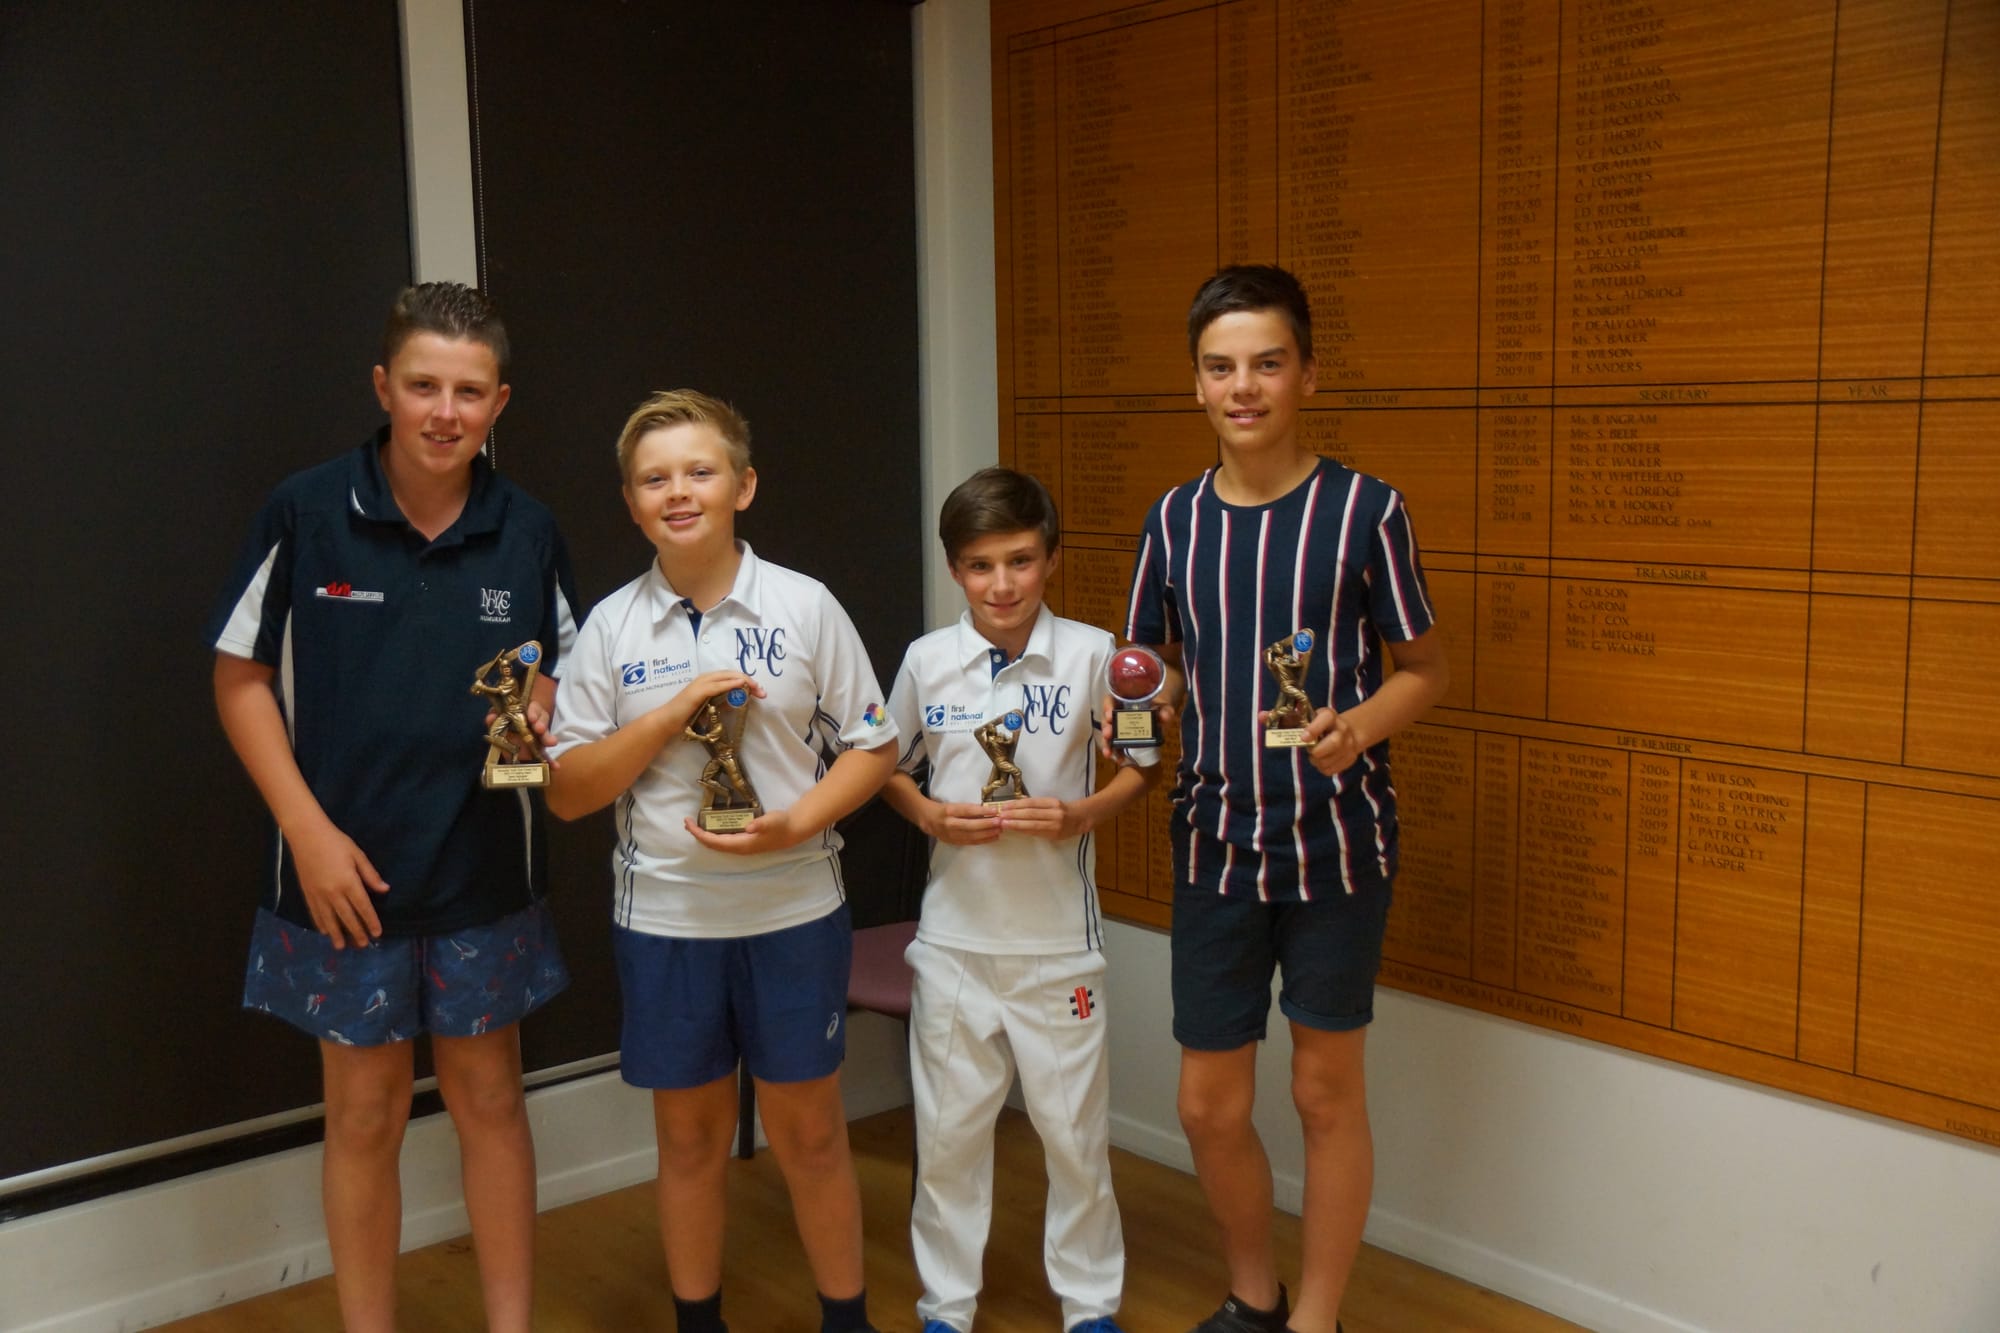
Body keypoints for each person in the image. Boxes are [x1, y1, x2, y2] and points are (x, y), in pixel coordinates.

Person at [208, 281, 578, 1333]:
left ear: (499, 400)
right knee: (362, 1116)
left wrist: (547, 701)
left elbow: (566, 667)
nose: (444, 411)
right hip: (342, 877)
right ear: (384, 386)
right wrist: (307, 833)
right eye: (423, 385)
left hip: (483, 876)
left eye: (468, 391)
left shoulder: (529, 528)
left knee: (492, 1104)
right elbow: (239, 676)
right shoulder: (307, 510)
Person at [1120, 265, 1451, 1333]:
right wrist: (1150, 698)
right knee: (1206, 1106)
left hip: (1335, 846)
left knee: (1321, 1093)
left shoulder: (1365, 509)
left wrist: (1357, 724)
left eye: (1266, 362)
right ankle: (1250, 1298)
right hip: (1214, 842)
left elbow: (1424, 671)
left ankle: (1315, 1317)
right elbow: (1153, 666)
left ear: (1305, 373)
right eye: (1220, 367)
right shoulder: (1170, 521)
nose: (1243, 385)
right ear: (1196, 387)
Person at [544, 389, 897, 1333]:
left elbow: (874, 744)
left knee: (812, 1134)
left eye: (700, 471)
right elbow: (571, 790)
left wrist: (794, 824)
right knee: (689, 1140)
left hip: (792, 911)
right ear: (630, 502)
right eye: (655, 479)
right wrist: (665, 714)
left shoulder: (804, 605)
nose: (680, 492)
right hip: (668, 924)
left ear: (744, 484)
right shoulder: (610, 628)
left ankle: (847, 1320)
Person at [882, 466, 1161, 1333]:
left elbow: (1145, 766)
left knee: (1074, 1140)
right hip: (955, 945)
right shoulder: (927, 661)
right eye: (978, 565)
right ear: (953, 568)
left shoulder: (1094, 652)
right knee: (951, 1139)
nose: (1001, 584)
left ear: (1051, 557)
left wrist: (1081, 812)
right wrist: (925, 809)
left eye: (1020, 560)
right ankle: (946, 1305)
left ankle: (1088, 1306)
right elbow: (883, 766)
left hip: (1057, 949)